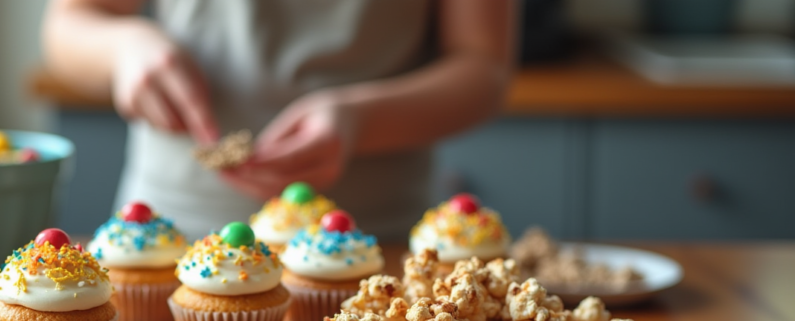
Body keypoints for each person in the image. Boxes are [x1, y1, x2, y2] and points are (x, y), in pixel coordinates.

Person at [44, 0, 515, 240]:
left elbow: (484, 69)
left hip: (381, 239)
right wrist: (125, 48)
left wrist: (358, 120)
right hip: (166, 234)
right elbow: (70, 23)